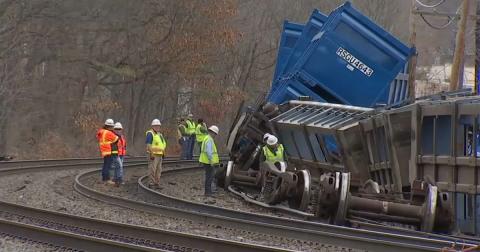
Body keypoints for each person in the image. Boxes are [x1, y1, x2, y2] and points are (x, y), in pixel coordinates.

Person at [96, 119, 119, 185]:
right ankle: (107, 179)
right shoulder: (108, 133)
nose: (112, 128)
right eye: (112, 126)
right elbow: (116, 139)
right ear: (109, 126)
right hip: (108, 150)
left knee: (105, 165)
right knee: (107, 166)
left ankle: (104, 178)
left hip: (103, 151)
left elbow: (98, 137)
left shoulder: (101, 131)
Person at [146, 119, 167, 188]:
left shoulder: (159, 134)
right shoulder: (150, 133)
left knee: (159, 170)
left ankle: (156, 183)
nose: (157, 127)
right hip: (153, 155)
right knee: (152, 169)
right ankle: (151, 183)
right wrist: (151, 153)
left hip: (160, 155)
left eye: (158, 126)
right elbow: (148, 145)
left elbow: (162, 144)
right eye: (156, 126)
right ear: (153, 126)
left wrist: (163, 152)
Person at [199, 125, 219, 196]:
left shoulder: (206, 138)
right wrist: (212, 161)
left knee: (209, 176)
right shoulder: (209, 139)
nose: (215, 135)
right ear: (212, 132)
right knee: (210, 177)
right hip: (208, 162)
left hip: (206, 161)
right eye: (215, 134)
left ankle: (208, 191)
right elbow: (209, 151)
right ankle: (208, 192)